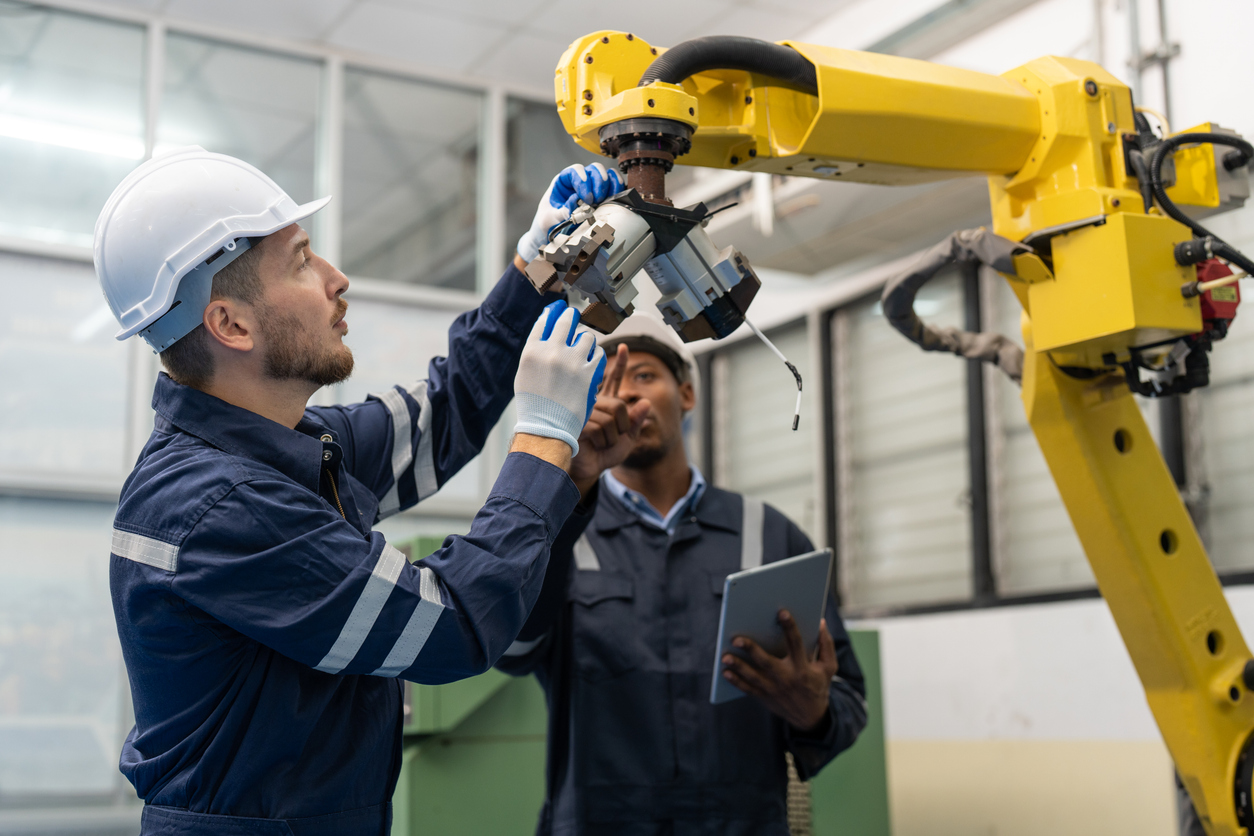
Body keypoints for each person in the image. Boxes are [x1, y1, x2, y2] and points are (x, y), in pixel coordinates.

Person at [96, 146, 622, 835]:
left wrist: (533, 270)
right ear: (231, 324)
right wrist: (545, 438)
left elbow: (447, 412)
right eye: (302, 261)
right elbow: (451, 624)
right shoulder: (221, 504)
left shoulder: (287, 445)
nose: (337, 279)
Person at [497, 314, 869, 835]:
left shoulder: (768, 536)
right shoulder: (558, 526)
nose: (623, 396)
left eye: (644, 376)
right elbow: (510, 652)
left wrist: (815, 711)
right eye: (603, 384)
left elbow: (847, 698)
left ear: (688, 395)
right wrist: (571, 485)